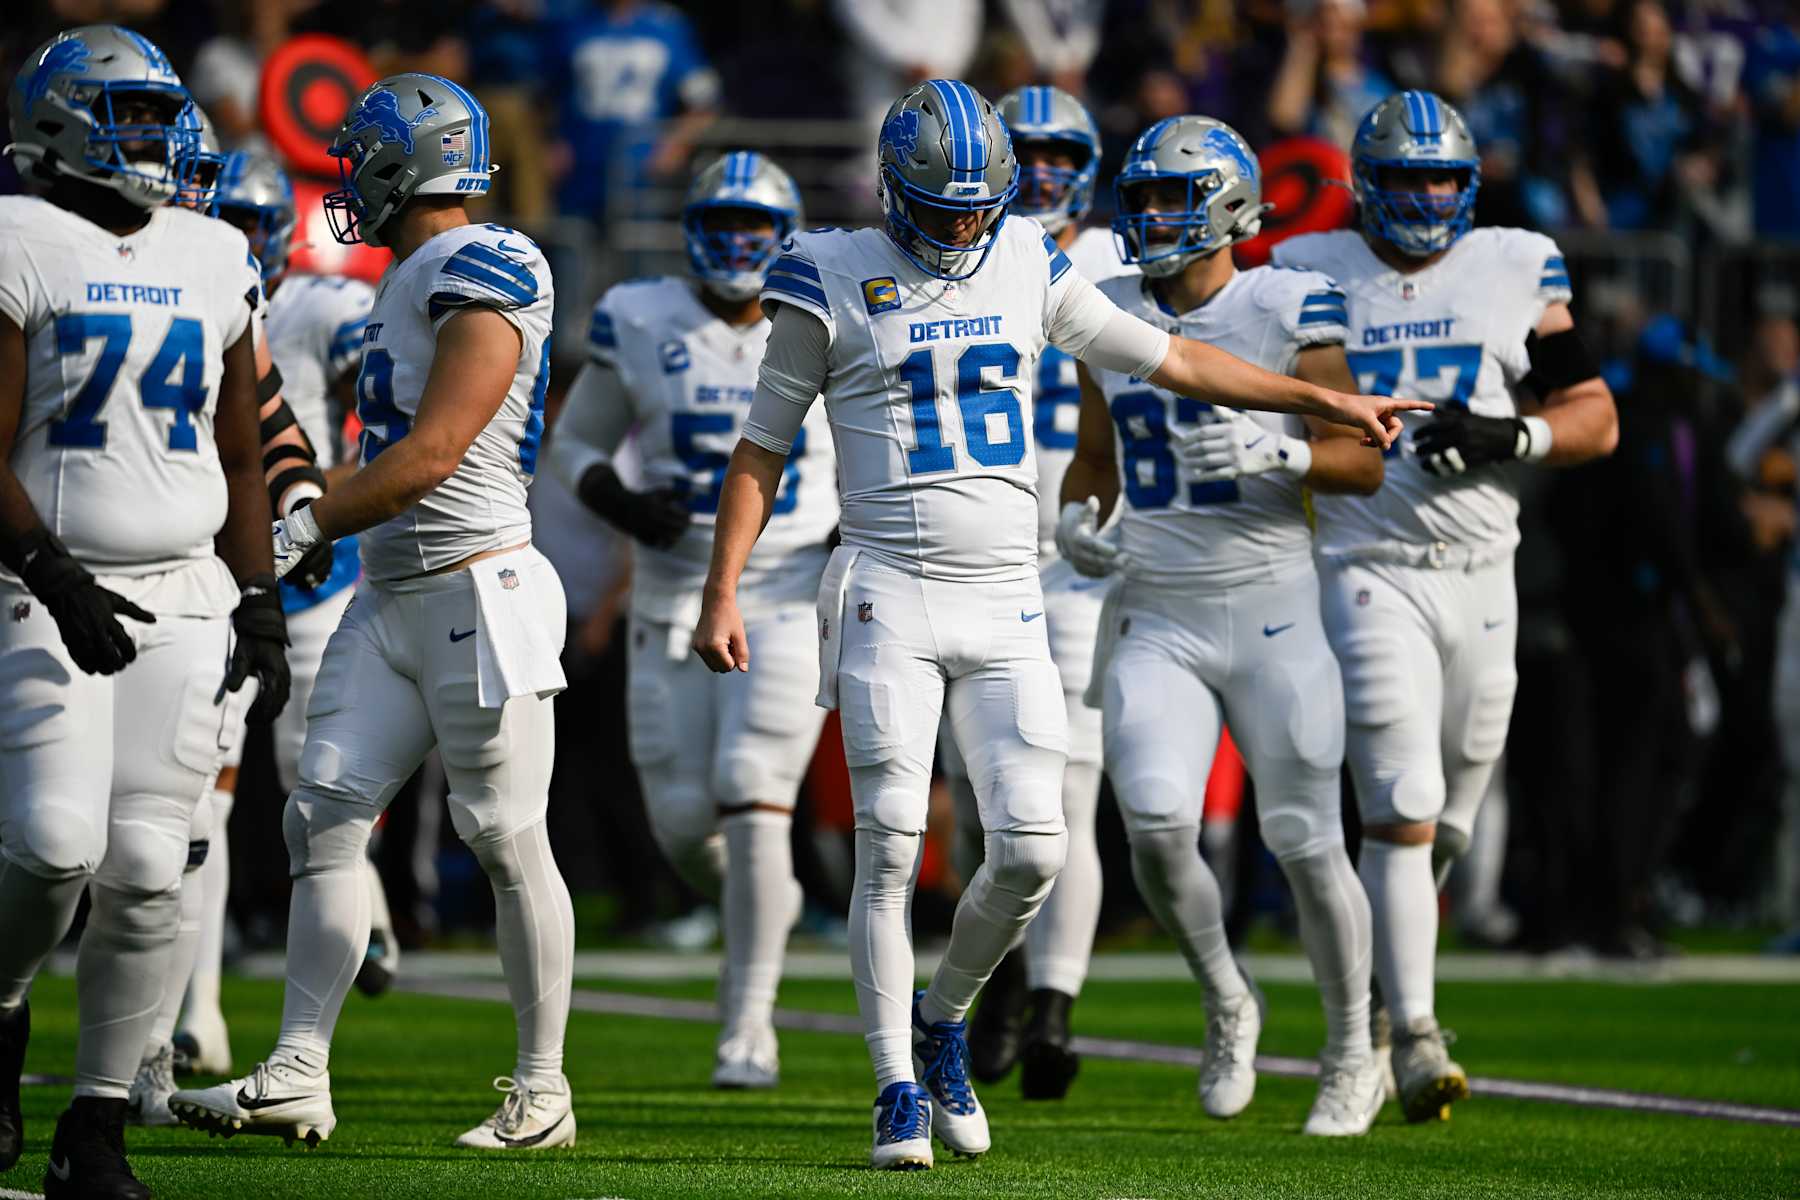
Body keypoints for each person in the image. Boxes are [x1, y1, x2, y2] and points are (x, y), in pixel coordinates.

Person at [690, 78, 1424, 1170]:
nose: (961, 229)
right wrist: (724, 586)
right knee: (893, 844)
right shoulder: (827, 271)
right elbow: (763, 447)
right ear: (893, 191)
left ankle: (942, 1022)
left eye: (977, 207)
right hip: (888, 583)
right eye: (941, 210)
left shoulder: (1029, 256)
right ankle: (893, 1085)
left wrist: (1320, 403)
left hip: (1009, 596)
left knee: (1033, 847)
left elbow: (1169, 357)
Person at [168, 73, 576, 1152]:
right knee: (324, 817)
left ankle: (543, 1091)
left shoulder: (495, 262)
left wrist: (296, 532)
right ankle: (299, 1068)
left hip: (479, 585)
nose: (349, 176)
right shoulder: (403, 273)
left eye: (363, 156)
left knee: (502, 834)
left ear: (412, 162)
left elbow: (430, 459)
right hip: (392, 592)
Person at [1273, 90, 1617, 1122]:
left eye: (1443, 179)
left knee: (1452, 815)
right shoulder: (1311, 272)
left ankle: (1383, 986)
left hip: (1486, 567)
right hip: (1367, 560)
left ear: (1468, 186)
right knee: (1404, 793)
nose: (1426, 197)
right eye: (1408, 178)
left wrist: (1512, 438)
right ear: (1366, 186)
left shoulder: (1515, 263)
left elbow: (1595, 414)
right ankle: (1411, 1035)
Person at [0, 26, 290, 1198]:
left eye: (160, 117)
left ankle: (100, 1122)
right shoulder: (21, 235)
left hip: (185, 588)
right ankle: (6, 1006)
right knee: (55, 845)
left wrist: (260, 593)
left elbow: (242, 446)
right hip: (40, 583)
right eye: (128, 117)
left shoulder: (217, 250)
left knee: (149, 867)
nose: (155, 141)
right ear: (63, 121)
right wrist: (52, 573)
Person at [1061, 114, 1385, 1136]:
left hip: (1274, 601)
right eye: (1143, 196)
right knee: (1155, 829)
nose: (1152, 214)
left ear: (1233, 203)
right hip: (1159, 605)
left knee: (1303, 839)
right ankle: (1226, 995)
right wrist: (1077, 520)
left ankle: (1351, 1050)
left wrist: (1280, 456)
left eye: (1172, 196)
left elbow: (1361, 456)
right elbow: (1095, 454)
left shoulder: (1285, 302)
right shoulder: (1106, 311)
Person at [547, 150, 837, 1088]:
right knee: (680, 819)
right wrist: (624, 507)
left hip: (786, 585)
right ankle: (772, 902)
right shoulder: (640, 316)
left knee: (752, 784)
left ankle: (747, 1023)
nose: (740, 245)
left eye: (758, 229)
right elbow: (575, 442)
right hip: (670, 589)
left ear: (785, 236)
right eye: (724, 225)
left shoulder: (829, 315)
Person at [956, 83, 1135, 1101]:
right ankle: (1006, 984)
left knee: (1066, 789)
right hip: (971, 556)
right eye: (1029, 154)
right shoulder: (955, 251)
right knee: (986, 804)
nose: (1048, 175)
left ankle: (1053, 1007)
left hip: (1077, 558)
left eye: (1065, 155)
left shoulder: (1114, 260)